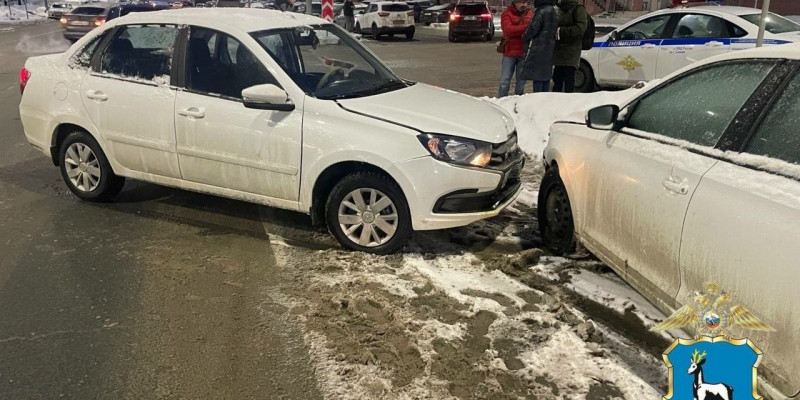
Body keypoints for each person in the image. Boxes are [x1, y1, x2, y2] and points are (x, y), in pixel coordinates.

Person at [519, 0, 558, 92]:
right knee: (545, 75)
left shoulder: (540, 11)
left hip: (538, 46)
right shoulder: (554, 11)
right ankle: (545, 96)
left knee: (537, 75)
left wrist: (525, 37)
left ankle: (537, 97)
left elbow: (533, 28)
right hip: (550, 46)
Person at [497, 0, 532, 98]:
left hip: (524, 51)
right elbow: (507, 30)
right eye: (522, 2)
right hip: (509, 51)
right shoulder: (507, 13)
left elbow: (533, 29)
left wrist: (516, 30)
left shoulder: (530, 13)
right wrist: (526, 28)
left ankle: (518, 99)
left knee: (521, 80)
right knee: (505, 80)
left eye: (526, 2)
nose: (524, 5)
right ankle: (502, 99)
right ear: (515, 3)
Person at [552, 0, 587, 93]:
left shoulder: (578, 9)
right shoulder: (559, 8)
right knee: (557, 80)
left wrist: (561, 31)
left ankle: (568, 101)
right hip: (559, 50)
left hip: (571, 50)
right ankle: (555, 100)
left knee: (569, 81)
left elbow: (580, 28)